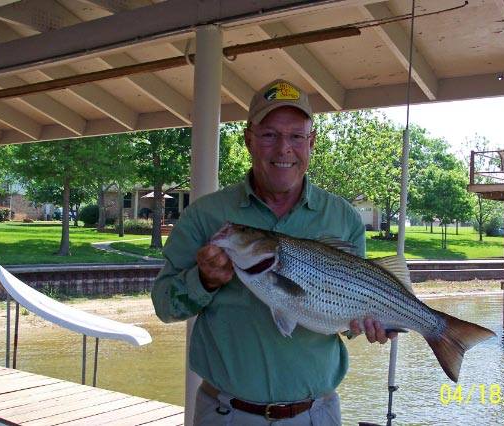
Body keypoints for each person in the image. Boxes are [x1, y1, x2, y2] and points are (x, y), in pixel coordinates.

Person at [152, 79, 394, 425]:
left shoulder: (343, 217)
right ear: (249, 139)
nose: (284, 149)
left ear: (311, 142)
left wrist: (369, 324)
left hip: (316, 414)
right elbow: (164, 305)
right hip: (226, 414)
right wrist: (203, 281)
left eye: (297, 136)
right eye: (269, 135)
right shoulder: (206, 215)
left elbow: (347, 320)